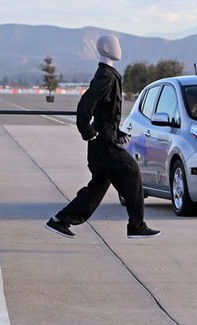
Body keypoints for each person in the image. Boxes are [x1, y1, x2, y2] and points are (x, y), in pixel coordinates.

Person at [45, 35, 161, 239]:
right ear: (106, 48)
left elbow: (105, 113)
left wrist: (117, 132)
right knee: (132, 171)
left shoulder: (107, 74)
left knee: (98, 186)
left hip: (103, 140)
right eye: (115, 45)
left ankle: (60, 220)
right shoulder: (106, 76)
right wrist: (86, 130)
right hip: (104, 143)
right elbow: (86, 104)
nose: (119, 49)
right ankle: (136, 225)